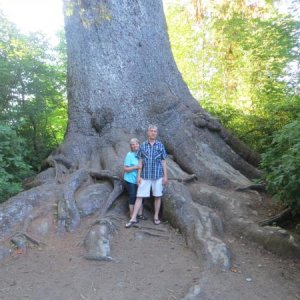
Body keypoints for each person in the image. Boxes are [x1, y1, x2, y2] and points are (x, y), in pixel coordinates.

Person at [125, 125, 167, 227]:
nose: (153, 133)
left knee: (157, 196)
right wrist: (138, 176)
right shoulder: (143, 145)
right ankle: (133, 218)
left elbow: (163, 161)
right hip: (145, 175)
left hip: (158, 175)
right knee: (139, 196)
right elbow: (140, 161)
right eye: (151, 131)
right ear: (148, 132)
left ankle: (156, 216)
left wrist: (165, 176)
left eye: (155, 131)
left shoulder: (160, 145)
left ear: (156, 133)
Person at [123, 138, 146, 220]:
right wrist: (136, 167)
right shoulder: (129, 155)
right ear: (131, 146)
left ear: (139, 144)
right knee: (132, 196)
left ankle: (140, 214)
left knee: (141, 196)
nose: (135, 145)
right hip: (130, 180)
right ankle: (132, 216)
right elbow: (125, 169)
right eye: (132, 144)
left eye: (136, 143)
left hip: (140, 179)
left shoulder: (142, 154)